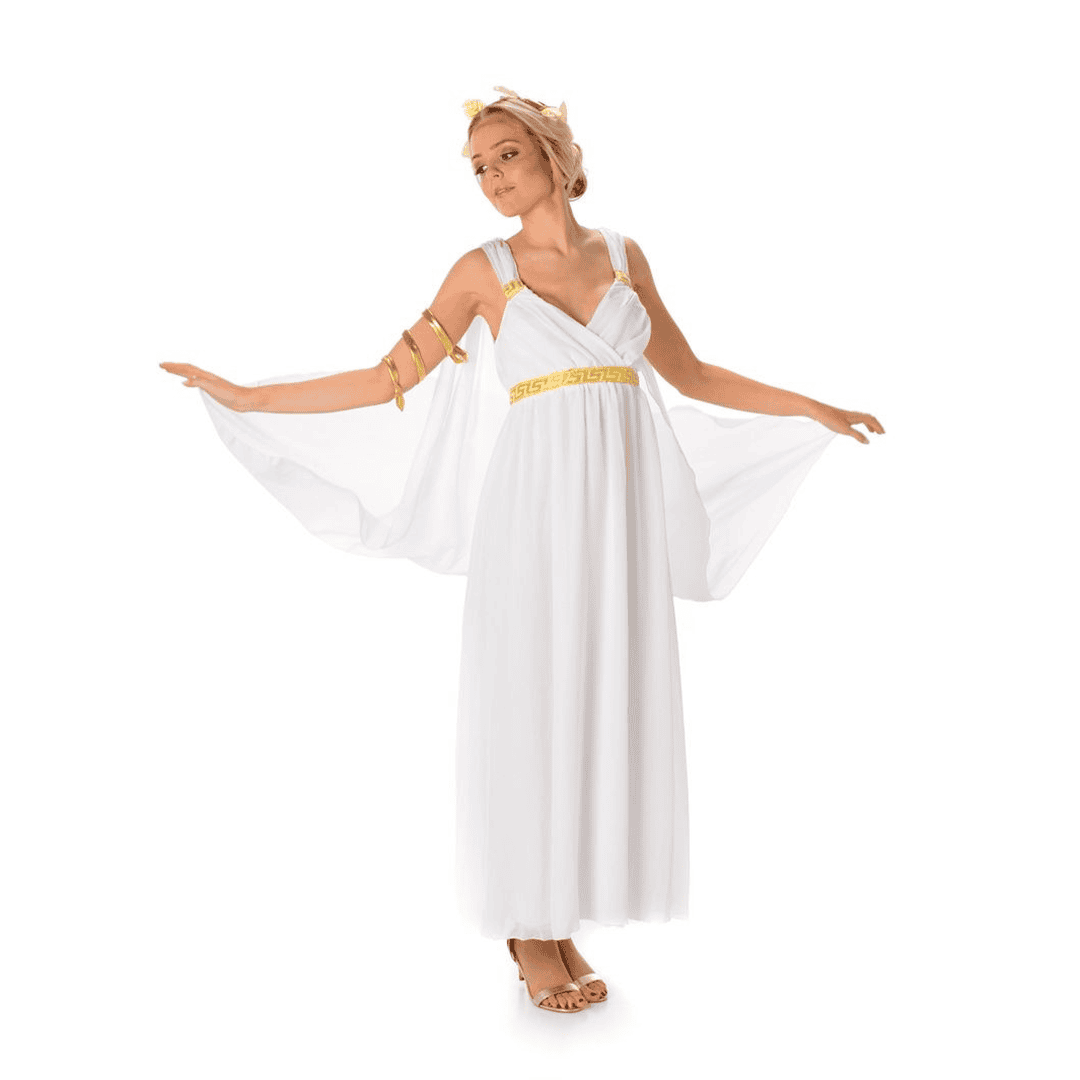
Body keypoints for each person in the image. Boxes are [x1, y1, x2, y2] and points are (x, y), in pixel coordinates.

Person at [161, 86, 884, 1014]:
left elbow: (691, 373)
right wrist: (249, 395)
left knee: (598, 695)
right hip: (535, 509)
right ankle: (527, 925)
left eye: (507, 153)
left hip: (616, 518)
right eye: (479, 167)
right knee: (533, 696)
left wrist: (812, 408)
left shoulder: (623, 256)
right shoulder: (482, 270)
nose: (494, 176)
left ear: (554, 153)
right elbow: (388, 377)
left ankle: (556, 912)